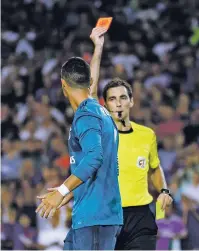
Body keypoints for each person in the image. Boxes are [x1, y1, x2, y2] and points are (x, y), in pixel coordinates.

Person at [88, 28, 173, 250]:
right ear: (105, 105)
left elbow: (154, 168)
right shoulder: (100, 131)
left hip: (141, 217)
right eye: (112, 99)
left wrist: (164, 191)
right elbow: (90, 90)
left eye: (123, 98)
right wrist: (98, 47)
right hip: (107, 217)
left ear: (131, 102)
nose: (118, 103)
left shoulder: (147, 134)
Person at [35, 37, 123, 250]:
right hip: (92, 214)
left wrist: (62, 191)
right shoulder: (100, 112)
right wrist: (98, 47)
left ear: (63, 85)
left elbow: (94, 157)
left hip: (95, 217)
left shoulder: (86, 117)